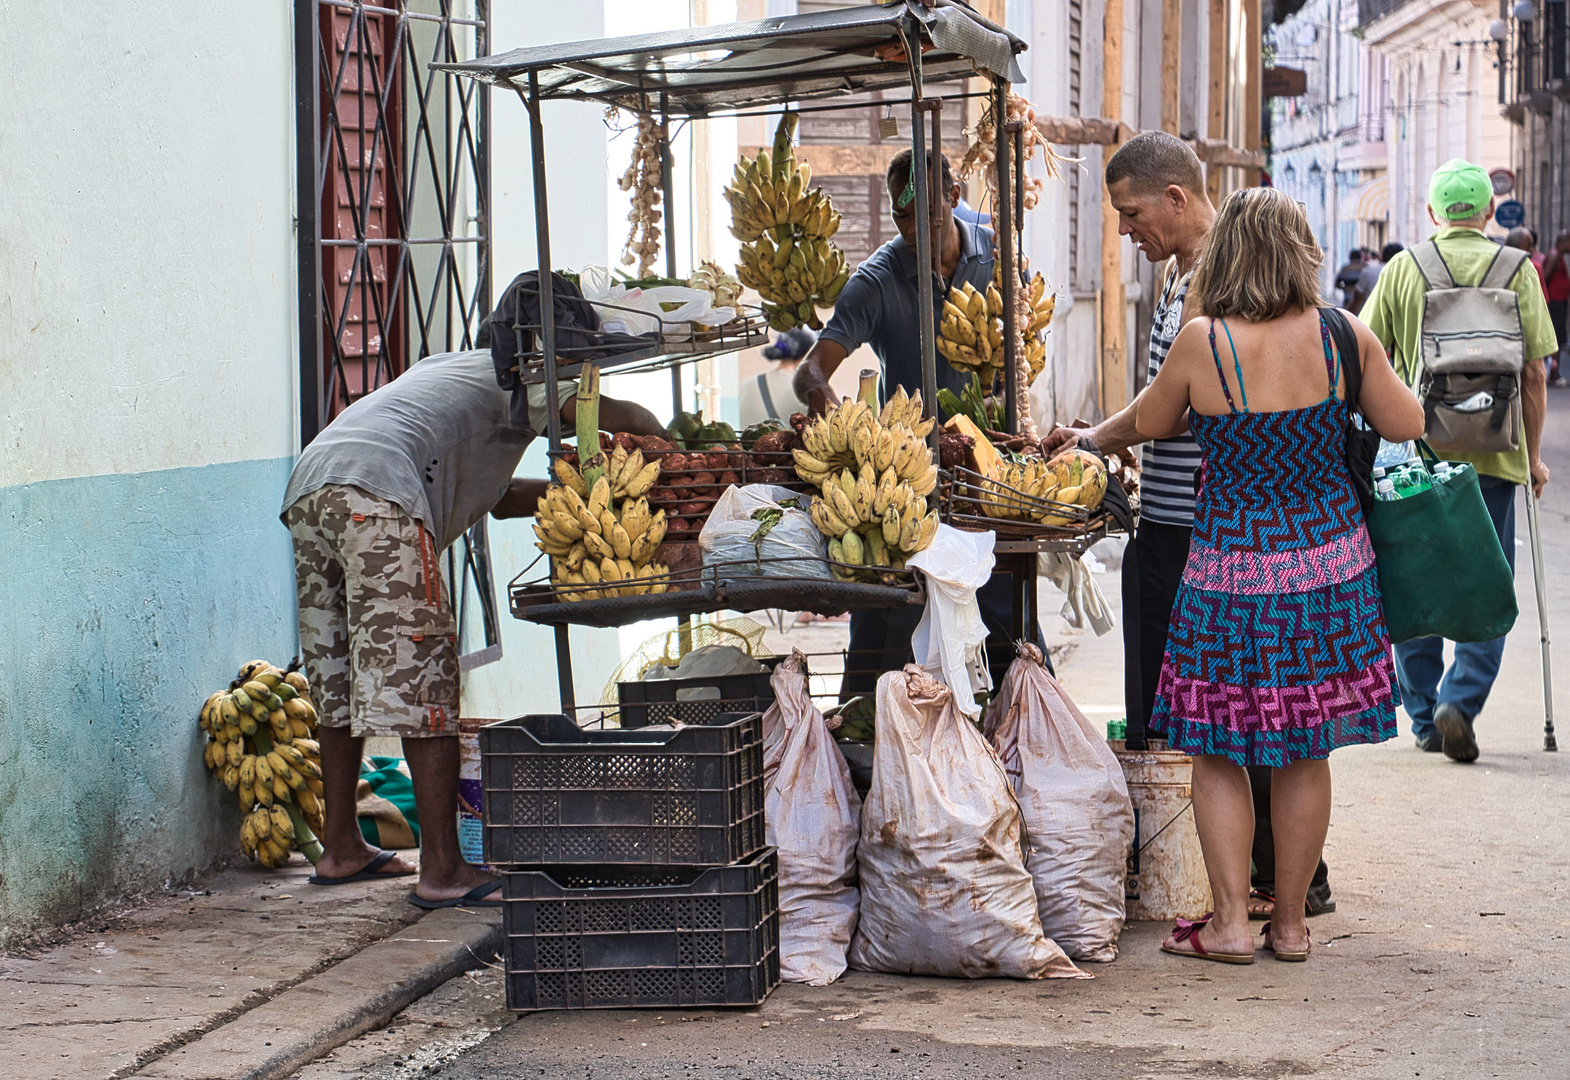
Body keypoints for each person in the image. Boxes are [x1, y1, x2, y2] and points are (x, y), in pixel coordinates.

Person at [1044, 131, 1333, 921]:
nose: (1126, 230)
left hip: (1211, 536)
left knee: (1235, 715)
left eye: (1132, 213)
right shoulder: (1180, 275)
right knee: (1212, 711)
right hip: (1172, 519)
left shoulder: (1223, 283)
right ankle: (1249, 881)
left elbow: (1178, 406)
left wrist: (1098, 439)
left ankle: (1277, 883)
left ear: (1176, 199)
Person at [1137, 186, 1425, 964]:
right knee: (1305, 749)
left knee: (1217, 745)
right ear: (1302, 252)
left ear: (1228, 252)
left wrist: (1091, 436)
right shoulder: (1342, 335)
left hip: (1228, 577)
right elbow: (1407, 425)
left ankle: (1229, 924)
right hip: (1331, 577)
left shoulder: (1204, 342)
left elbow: (1152, 420)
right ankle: (1291, 925)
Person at [280, 350, 664, 905]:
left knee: (336, 680)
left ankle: (340, 846)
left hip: (313, 486)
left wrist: (581, 493)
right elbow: (611, 415)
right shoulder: (529, 371)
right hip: (383, 491)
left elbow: (502, 500)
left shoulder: (451, 367)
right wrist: (660, 436)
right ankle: (442, 869)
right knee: (427, 678)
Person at [792, 147, 1043, 690]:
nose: (915, 229)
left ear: (954, 197)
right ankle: (866, 731)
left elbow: (1028, 340)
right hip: (909, 480)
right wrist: (829, 407)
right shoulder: (877, 280)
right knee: (890, 630)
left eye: (927, 212)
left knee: (1004, 620)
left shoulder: (999, 250)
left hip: (986, 471)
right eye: (902, 215)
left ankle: (1014, 728)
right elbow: (811, 371)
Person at [1360, 159, 1556, 761]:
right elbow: (1534, 373)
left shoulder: (1404, 268)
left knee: (1415, 579)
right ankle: (1460, 702)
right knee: (1487, 582)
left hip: (1415, 455)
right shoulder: (1518, 269)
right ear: (1490, 212)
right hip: (1496, 458)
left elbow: (1368, 357)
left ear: (1430, 214)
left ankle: (1422, 717)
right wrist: (1534, 457)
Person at [738, 327, 815, 428]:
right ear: (806, 354)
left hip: (744, 442)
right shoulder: (803, 389)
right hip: (780, 443)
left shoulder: (747, 384)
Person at [1542, 229, 1570, 385]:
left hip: (1558, 303)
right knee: (1555, 339)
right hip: (1555, 303)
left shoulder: (1558, 256)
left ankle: (1554, 373)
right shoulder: (1554, 256)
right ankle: (1554, 374)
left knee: (1558, 338)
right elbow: (1545, 277)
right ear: (1564, 241)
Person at [1350, 242, 1402, 316]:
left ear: (1381, 258)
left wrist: (1346, 322)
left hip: (1373, 319)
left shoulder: (1368, 272)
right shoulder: (1409, 274)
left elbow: (1356, 301)